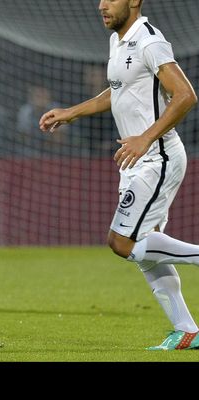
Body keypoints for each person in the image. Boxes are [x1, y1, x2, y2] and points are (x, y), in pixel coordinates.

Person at [39, 0, 199, 350]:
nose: (102, 5)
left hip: (156, 156)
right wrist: (72, 112)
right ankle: (187, 330)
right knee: (147, 249)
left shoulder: (149, 40)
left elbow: (186, 96)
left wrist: (146, 137)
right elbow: (117, 92)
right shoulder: (118, 41)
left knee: (122, 242)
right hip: (137, 159)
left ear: (135, 1)